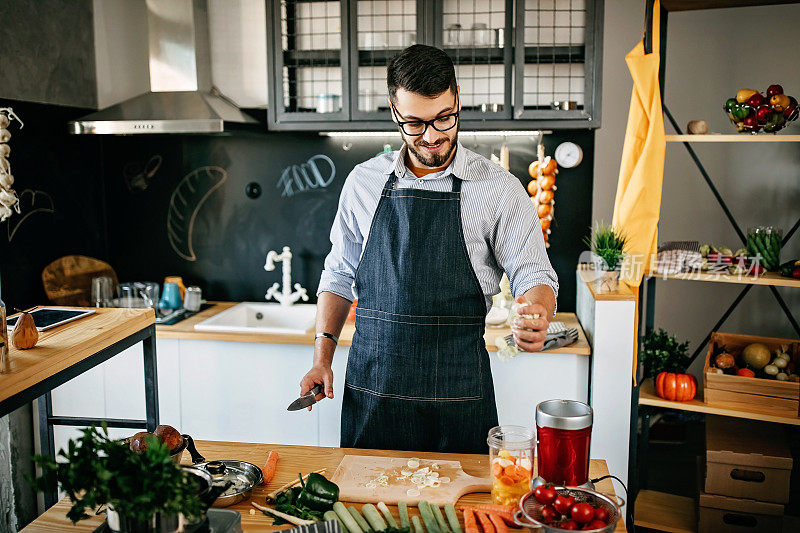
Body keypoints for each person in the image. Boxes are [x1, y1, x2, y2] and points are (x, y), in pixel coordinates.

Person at [300, 44, 558, 453]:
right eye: (415, 124)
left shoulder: (499, 189)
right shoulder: (362, 183)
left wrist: (539, 311)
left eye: (444, 118)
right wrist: (321, 358)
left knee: (459, 516)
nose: (433, 136)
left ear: (457, 96)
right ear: (393, 111)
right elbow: (339, 276)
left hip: (459, 399)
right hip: (373, 394)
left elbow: (535, 275)